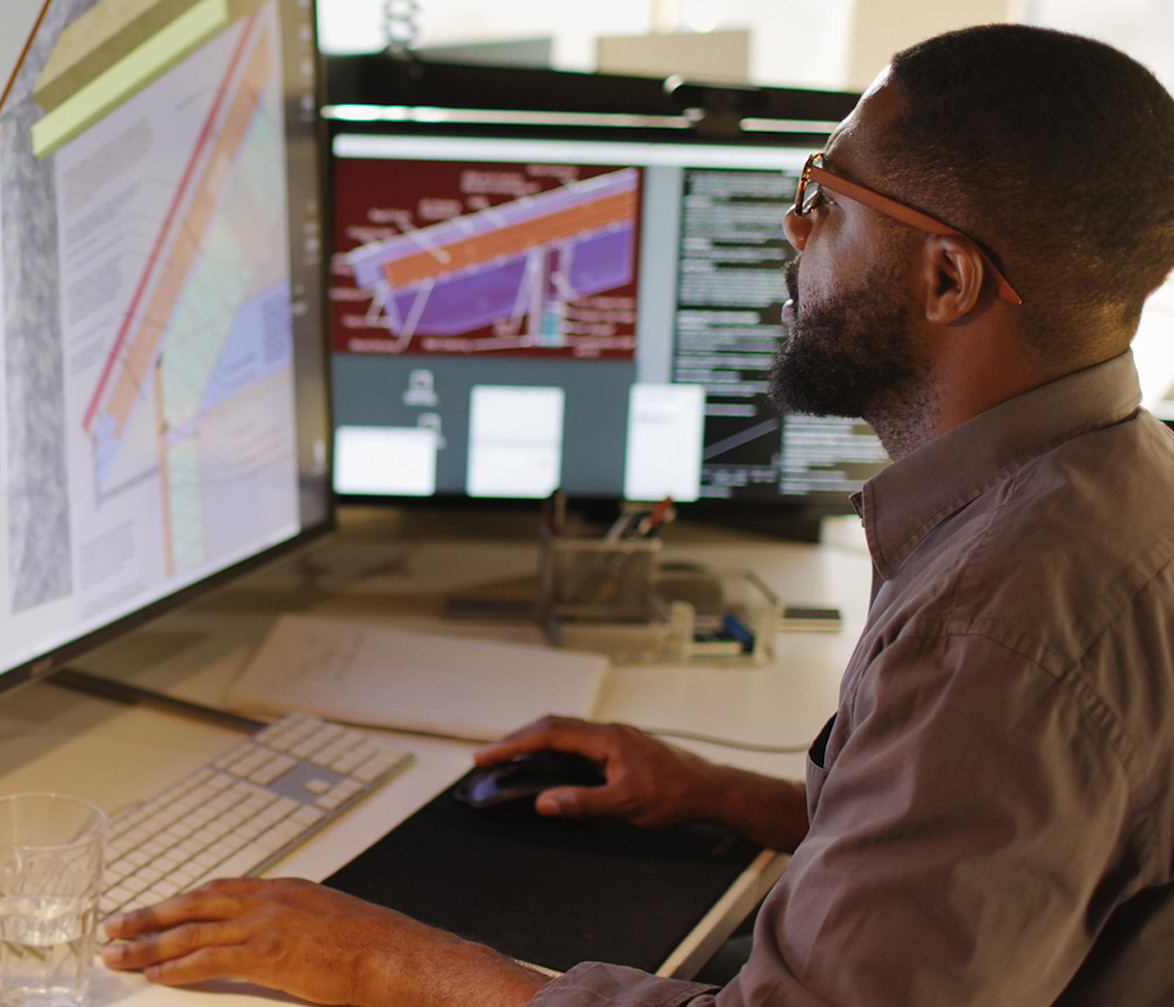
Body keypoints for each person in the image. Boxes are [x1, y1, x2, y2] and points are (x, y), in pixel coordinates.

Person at [102, 23, 1174, 1006]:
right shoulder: (1111, 488)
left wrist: (379, 958)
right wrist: (727, 795)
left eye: (825, 193)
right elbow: (1005, 848)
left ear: (948, 279)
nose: (790, 223)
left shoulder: (1004, 621)